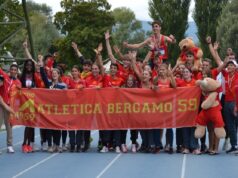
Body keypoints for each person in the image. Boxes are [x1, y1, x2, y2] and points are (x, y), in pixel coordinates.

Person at [38, 56, 67, 153]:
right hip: (49, 110)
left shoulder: (63, 85)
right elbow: (42, 75)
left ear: (59, 75)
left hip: (59, 110)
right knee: (50, 128)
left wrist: (60, 91)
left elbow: (67, 97)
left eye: (56, 73)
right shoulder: (49, 84)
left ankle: (57, 145)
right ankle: (50, 145)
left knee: (58, 128)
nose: (54, 74)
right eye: (53, 73)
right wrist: (41, 63)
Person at [0, 64, 21, 153]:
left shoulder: (19, 83)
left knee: (9, 126)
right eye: (11, 69)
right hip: (1, 104)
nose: (13, 71)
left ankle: (9, 145)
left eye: (14, 70)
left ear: (16, 71)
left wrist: (16, 108)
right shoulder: (4, 77)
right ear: (10, 70)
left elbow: (19, 96)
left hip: (10, 106)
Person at [68, 65, 86, 152]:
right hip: (71, 107)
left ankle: (78, 144)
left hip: (80, 107)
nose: (74, 72)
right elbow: (66, 93)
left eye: (75, 71)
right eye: (73, 71)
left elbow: (86, 93)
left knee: (80, 127)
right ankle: (72, 144)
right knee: (71, 127)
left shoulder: (83, 82)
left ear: (79, 72)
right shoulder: (69, 82)